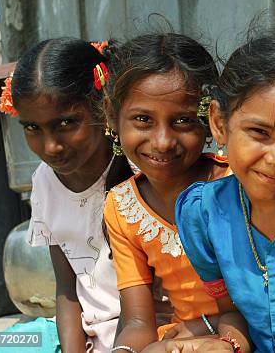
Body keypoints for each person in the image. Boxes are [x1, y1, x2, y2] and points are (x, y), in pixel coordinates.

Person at [170, 33, 275, 353]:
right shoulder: (204, 214)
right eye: (260, 133)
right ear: (219, 123)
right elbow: (231, 312)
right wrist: (229, 344)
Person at [101, 33, 235, 353]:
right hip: (183, 341)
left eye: (183, 121)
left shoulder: (237, 184)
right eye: (143, 119)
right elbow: (136, 322)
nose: (162, 141)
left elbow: (267, 298)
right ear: (111, 116)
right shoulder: (121, 206)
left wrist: (206, 327)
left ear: (212, 120)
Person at [0, 38, 130, 352]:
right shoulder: (44, 182)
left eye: (67, 123)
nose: (51, 147)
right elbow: (68, 289)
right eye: (32, 128)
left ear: (104, 105)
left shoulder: (140, 173)